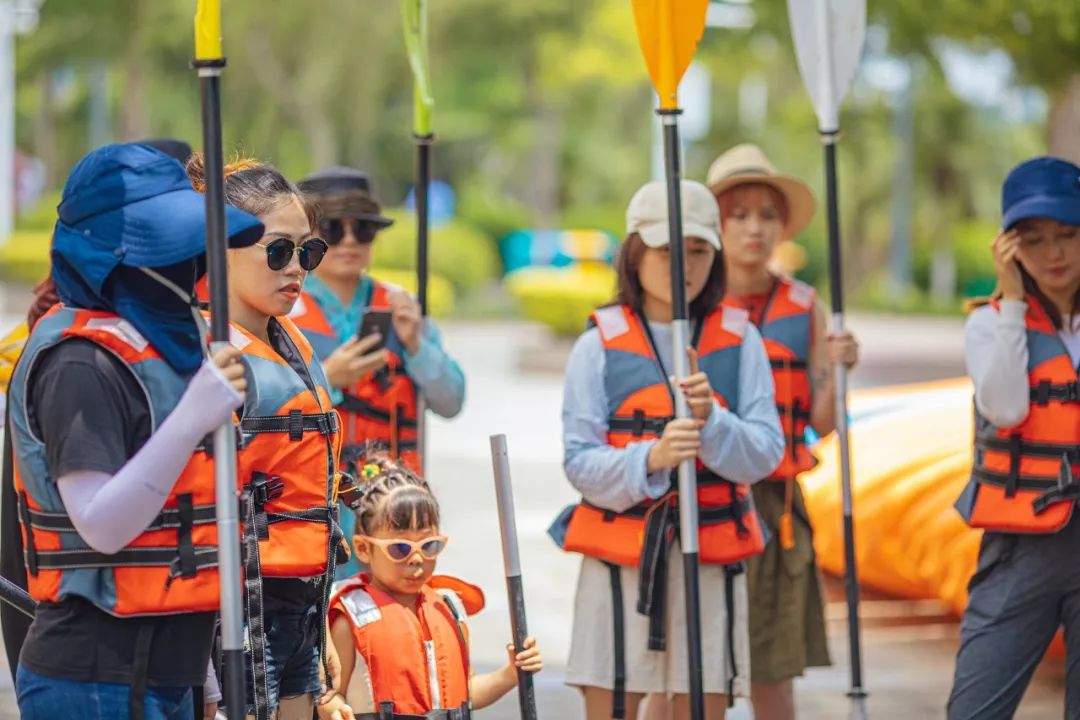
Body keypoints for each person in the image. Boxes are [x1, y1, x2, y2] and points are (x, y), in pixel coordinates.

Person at [8, 142, 263, 720]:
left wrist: (211, 693)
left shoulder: (166, 353)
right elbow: (101, 524)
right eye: (167, 249)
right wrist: (194, 417)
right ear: (109, 256)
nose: (187, 267)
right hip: (92, 680)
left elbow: (182, 550)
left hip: (172, 676)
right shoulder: (81, 363)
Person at [550, 179, 784, 720]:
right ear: (635, 253)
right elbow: (579, 461)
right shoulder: (597, 345)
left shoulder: (740, 339)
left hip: (711, 555)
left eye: (699, 250)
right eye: (667, 250)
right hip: (621, 561)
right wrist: (650, 459)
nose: (683, 264)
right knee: (612, 707)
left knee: (703, 706)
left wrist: (713, 423)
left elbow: (767, 451)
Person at [186, 156, 349, 720]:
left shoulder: (292, 343)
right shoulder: (210, 355)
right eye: (278, 251)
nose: (296, 269)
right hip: (237, 602)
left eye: (307, 252)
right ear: (222, 248)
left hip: (301, 595)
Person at [707, 143, 858, 720]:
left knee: (773, 671)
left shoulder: (804, 306)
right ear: (716, 223)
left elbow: (824, 424)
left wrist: (838, 374)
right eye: (738, 214)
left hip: (777, 502)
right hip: (706, 497)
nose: (754, 228)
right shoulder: (693, 301)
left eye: (767, 215)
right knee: (696, 672)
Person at [949, 156, 1080, 719]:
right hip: (1021, 543)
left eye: (1068, 235)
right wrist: (1014, 302)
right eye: (1034, 239)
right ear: (1009, 246)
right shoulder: (990, 324)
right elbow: (1005, 408)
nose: (1054, 253)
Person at [291, 167, 465, 579]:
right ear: (311, 237)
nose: (350, 240)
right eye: (334, 229)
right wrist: (328, 380)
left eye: (363, 229)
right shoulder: (283, 307)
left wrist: (417, 347)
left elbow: (451, 400)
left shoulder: (402, 308)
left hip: (395, 508)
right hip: (317, 503)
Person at [326, 455, 543, 716]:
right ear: (363, 548)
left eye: (429, 546)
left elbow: (468, 691)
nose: (417, 558)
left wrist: (511, 673)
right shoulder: (351, 618)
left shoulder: (449, 608)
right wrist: (334, 709)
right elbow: (331, 693)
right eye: (400, 548)